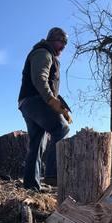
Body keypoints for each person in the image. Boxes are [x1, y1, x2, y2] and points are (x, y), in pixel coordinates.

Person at [18, 27, 72, 191]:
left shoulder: (48, 55)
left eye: (65, 43)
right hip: (35, 101)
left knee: (37, 143)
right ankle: (53, 175)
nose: (63, 46)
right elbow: (39, 79)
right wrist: (51, 101)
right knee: (61, 129)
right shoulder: (43, 53)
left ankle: (31, 186)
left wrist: (63, 108)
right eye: (61, 42)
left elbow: (51, 87)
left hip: (28, 102)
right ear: (51, 40)